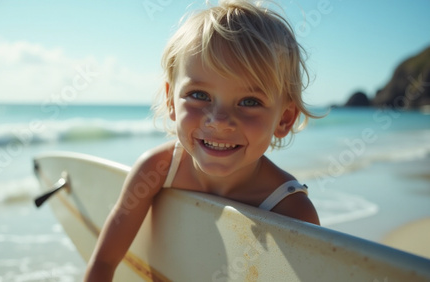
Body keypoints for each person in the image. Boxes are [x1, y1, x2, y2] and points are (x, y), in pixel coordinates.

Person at [85, 0, 321, 280]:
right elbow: (103, 264)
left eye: (249, 101)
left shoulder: (293, 211)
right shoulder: (155, 170)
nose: (219, 120)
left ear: (284, 119)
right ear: (171, 100)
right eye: (199, 95)